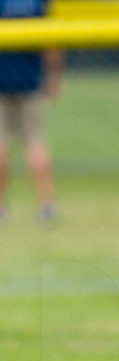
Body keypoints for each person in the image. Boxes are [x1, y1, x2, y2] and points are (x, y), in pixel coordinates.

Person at [0, 0, 61, 225]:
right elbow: (52, 41)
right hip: (31, 81)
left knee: (2, 143)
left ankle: (1, 208)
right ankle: (46, 206)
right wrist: (54, 76)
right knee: (35, 142)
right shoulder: (37, 2)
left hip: (4, 80)